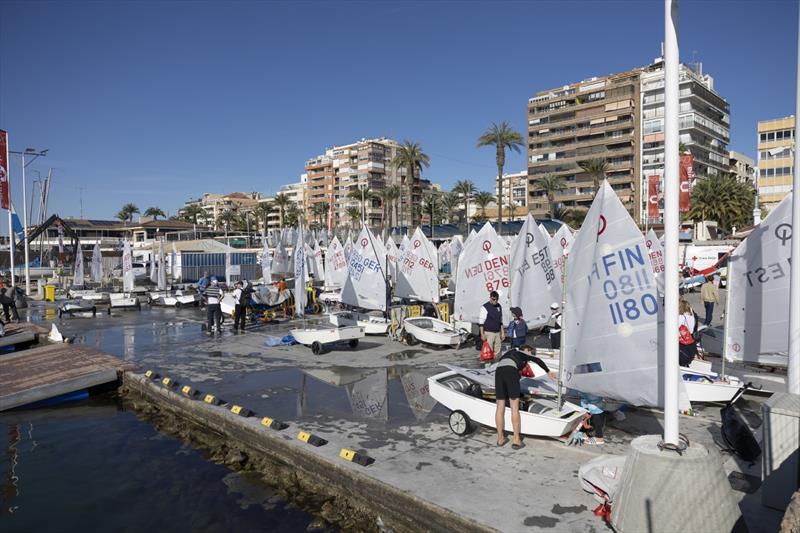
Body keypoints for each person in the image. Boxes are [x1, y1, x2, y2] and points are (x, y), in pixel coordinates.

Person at [495, 344, 557, 449]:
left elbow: (509, 368)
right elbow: (537, 360)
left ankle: (500, 438)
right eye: (529, 352)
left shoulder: (509, 354)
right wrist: (548, 371)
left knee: (500, 407)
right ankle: (516, 440)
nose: (529, 354)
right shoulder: (522, 353)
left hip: (499, 372)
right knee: (514, 407)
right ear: (525, 350)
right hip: (510, 371)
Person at [479, 291, 504, 357]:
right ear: (490, 298)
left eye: (497, 299)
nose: (495, 301)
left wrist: (503, 332)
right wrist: (482, 334)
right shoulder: (485, 307)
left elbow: (500, 320)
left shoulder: (499, 306)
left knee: (498, 350)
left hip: (497, 332)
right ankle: (488, 366)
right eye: (493, 299)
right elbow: (481, 322)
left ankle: (496, 365)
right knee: (488, 351)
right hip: (489, 333)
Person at [678, 299, 699, 366]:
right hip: (690, 336)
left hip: (682, 338)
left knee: (681, 352)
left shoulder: (681, 317)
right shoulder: (692, 315)